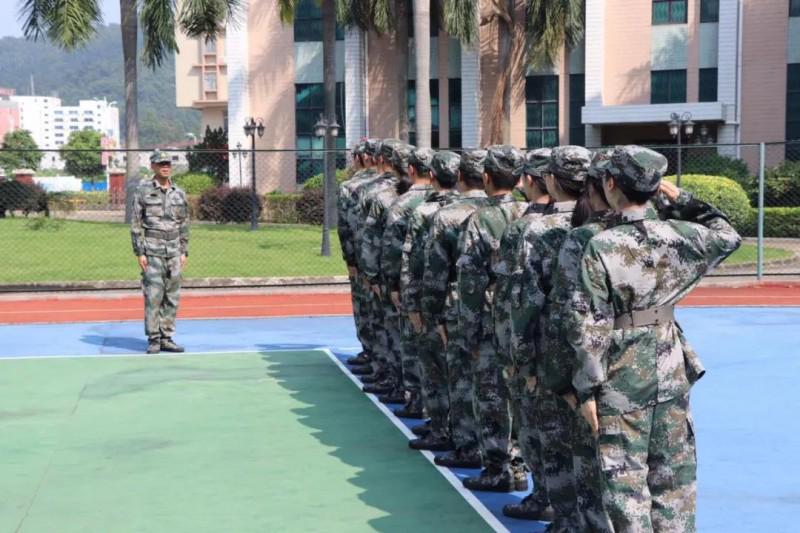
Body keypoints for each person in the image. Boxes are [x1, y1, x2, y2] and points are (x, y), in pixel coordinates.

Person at [569, 145, 741, 532]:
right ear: (654, 187)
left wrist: (586, 388)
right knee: (674, 478)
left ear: (610, 183)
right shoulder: (680, 235)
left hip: (620, 375)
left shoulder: (601, 245)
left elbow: (588, 325)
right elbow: (728, 234)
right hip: (669, 365)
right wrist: (681, 198)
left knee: (626, 482)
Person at [510, 145, 592, 529]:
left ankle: (565, 519)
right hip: (601, 351)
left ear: (550, 180)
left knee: (553, 439)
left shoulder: (537, 230)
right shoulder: (603, 225)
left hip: (550, 353)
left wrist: (522, 358)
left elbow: (526, 302)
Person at [456, 145, 528, 492]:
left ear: (486, 177)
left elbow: (470, 283)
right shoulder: (530, 212)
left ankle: (499, 468)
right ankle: (520, 464)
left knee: (491, 397)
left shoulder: (481, 219)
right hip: (525, 321)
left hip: (490, 321)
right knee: (520, 398)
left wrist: (467, 334)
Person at [492, 148, 555, 520]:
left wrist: (516, 353)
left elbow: (515, 291)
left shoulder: (524, 228)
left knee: (535, 425)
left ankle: (545, 497)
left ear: (531, 181)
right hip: (584, 346)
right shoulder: (595, 224)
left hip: (535, 342)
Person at [420, 149, 489, 468]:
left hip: (457, 304)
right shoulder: (511, 211)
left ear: (462, 176)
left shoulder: (447, 214)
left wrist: (430, 314)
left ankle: (468, 446)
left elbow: (434, 271)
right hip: (498, 310)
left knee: (461, 378)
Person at [401, 150, 461, 450]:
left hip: (437, 301)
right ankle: (456, 430)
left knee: (435, 369)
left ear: (432, 176)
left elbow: (413, 262)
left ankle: (441, 430)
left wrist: (413, 304)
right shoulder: (469, 209)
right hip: (466, 303)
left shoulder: (425, 212)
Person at [377, 146, 435, 411]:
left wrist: (390, 283)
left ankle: (415, 399)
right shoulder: (443, 201)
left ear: (411, 170)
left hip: (410, 282)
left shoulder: (402, 203)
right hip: (439, 286)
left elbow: (391, 249)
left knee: (411, 343)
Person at [130, 150, 190, 354]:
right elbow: (136, 223)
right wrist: (140, 252)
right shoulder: (143, 190)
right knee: (153, 295)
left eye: (168, 163)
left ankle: (167, 337)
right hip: (153, 251)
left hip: (174, 251)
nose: (166, 166)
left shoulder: (179, 193)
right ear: (153, 166)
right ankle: (154, 338)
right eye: (161, 163)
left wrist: (184, 251)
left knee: (172, 296)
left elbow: (183, 223)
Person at [338, 140, 379, 366]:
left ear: (359, 159)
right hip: (386, 261)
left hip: (363, 258)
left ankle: (371, 353)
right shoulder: (398, 185)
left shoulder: (351, 187)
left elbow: (345, 228)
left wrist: (350, 260)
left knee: (366, 306)